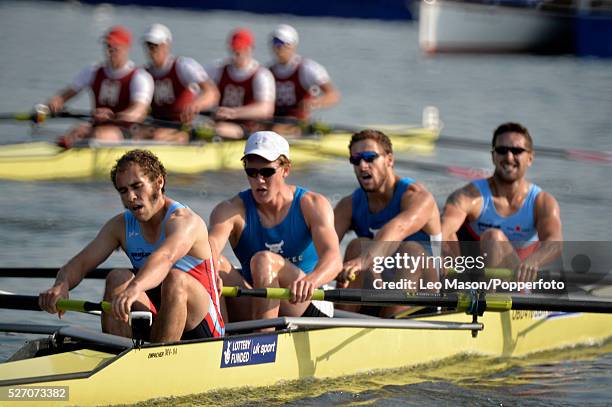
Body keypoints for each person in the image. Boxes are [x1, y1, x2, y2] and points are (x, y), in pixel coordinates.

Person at [39, 150, 224, 342]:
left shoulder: (185, 221)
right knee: (118, 277)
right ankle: (116, 350)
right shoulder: (120, 226)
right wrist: (61, 285)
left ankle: (158, 359)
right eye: (123, 191)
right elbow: (82, 262)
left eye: (137, 186)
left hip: (203, 327)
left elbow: (165, 257)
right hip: (159, 317)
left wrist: (135, 287)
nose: (131, 197)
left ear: (159, 182)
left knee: (176, 279)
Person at [208, 131, 342, 323]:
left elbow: (334, 260)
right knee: (213, 264)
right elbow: (210, 248)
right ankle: (217, 338)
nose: (259, 180)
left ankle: (263, 340)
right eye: (251, 172)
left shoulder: (312, 204)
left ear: (286, 170)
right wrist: (210, 271)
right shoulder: (229, 210)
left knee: (264, 260)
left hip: (305, 301)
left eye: (267, 172)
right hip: (259, 300)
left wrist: (311, 280)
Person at [333, 129, 442, 317]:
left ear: (389, 160)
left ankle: (389, 324)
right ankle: (335, 325)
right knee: (356, 246)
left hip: (428, 295)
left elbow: (397, 229)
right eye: (356, 160)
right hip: (380, 288)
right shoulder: (349, 205)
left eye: (370, 158)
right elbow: (318, 248)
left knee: (411, 251)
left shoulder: (417, 197)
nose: (363, 166)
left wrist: (362, 262)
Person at [441, 122, 563, 282]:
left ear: (530, 158)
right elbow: (442, 229)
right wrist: (441, 254)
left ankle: (488, 299)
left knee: (493, 238)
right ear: (493, 156)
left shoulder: (542, 202)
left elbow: (554, 243)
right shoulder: (469, 196)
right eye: (502, 150)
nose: (509, 157)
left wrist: (535, 261)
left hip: (519, 282)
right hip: (473, 280)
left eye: (517, 151)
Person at [46, 26, 154, 147]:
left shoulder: (140, 77)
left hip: (127, 131)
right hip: (98, 128)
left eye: (114, 48)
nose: (109, 52)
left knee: (99, 135)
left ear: (125, 48)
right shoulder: (93, 71)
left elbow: (138, 112)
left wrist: (112, 116)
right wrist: (55, 101)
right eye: (107, 46)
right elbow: (66, 94)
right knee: (76, 131)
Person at [140, 23, 219, 143]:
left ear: (166, 45)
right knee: (138, 134)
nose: (151, 51)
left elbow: (212, 93)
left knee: (158, 137)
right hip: (156, 123)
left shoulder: (184, 66)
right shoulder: (144, 73)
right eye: (148, 46)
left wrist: (195, 105)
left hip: (182, 125)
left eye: (155, 46)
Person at [268, 24, 340, 135]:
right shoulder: (268, 71)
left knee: (276, 130)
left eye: (283, 44)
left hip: (299, 121)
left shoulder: (308, 69)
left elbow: (333, 95)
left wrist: (314, 103)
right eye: (275, 43)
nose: (279, 48)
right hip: (272, 119)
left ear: (293, 46)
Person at [207, 28, 275, 139]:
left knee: (218, 130)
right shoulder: (217, 69)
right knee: (201, 128)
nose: (237, 53)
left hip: (248, 129)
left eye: (241, 49)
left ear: (250, 49)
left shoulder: (262, 75)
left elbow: (266, 109)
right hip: (219, 124)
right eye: (234, 49)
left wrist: (233, 113)